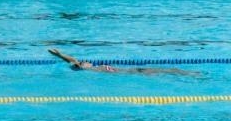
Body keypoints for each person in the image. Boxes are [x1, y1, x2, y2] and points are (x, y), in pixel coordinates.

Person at [48, 47, 195, 76]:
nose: (86, 61)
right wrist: (60, 55)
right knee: (164, 71)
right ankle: (187, 73)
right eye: (84, 62)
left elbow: (76, 61)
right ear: (81, 66)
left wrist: (61, 54)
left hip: (132, 71)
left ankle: (185, 72)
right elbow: (75, 61)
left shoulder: (94, 68)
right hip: (132, 73)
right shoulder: (88, 69)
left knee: (166, 70)